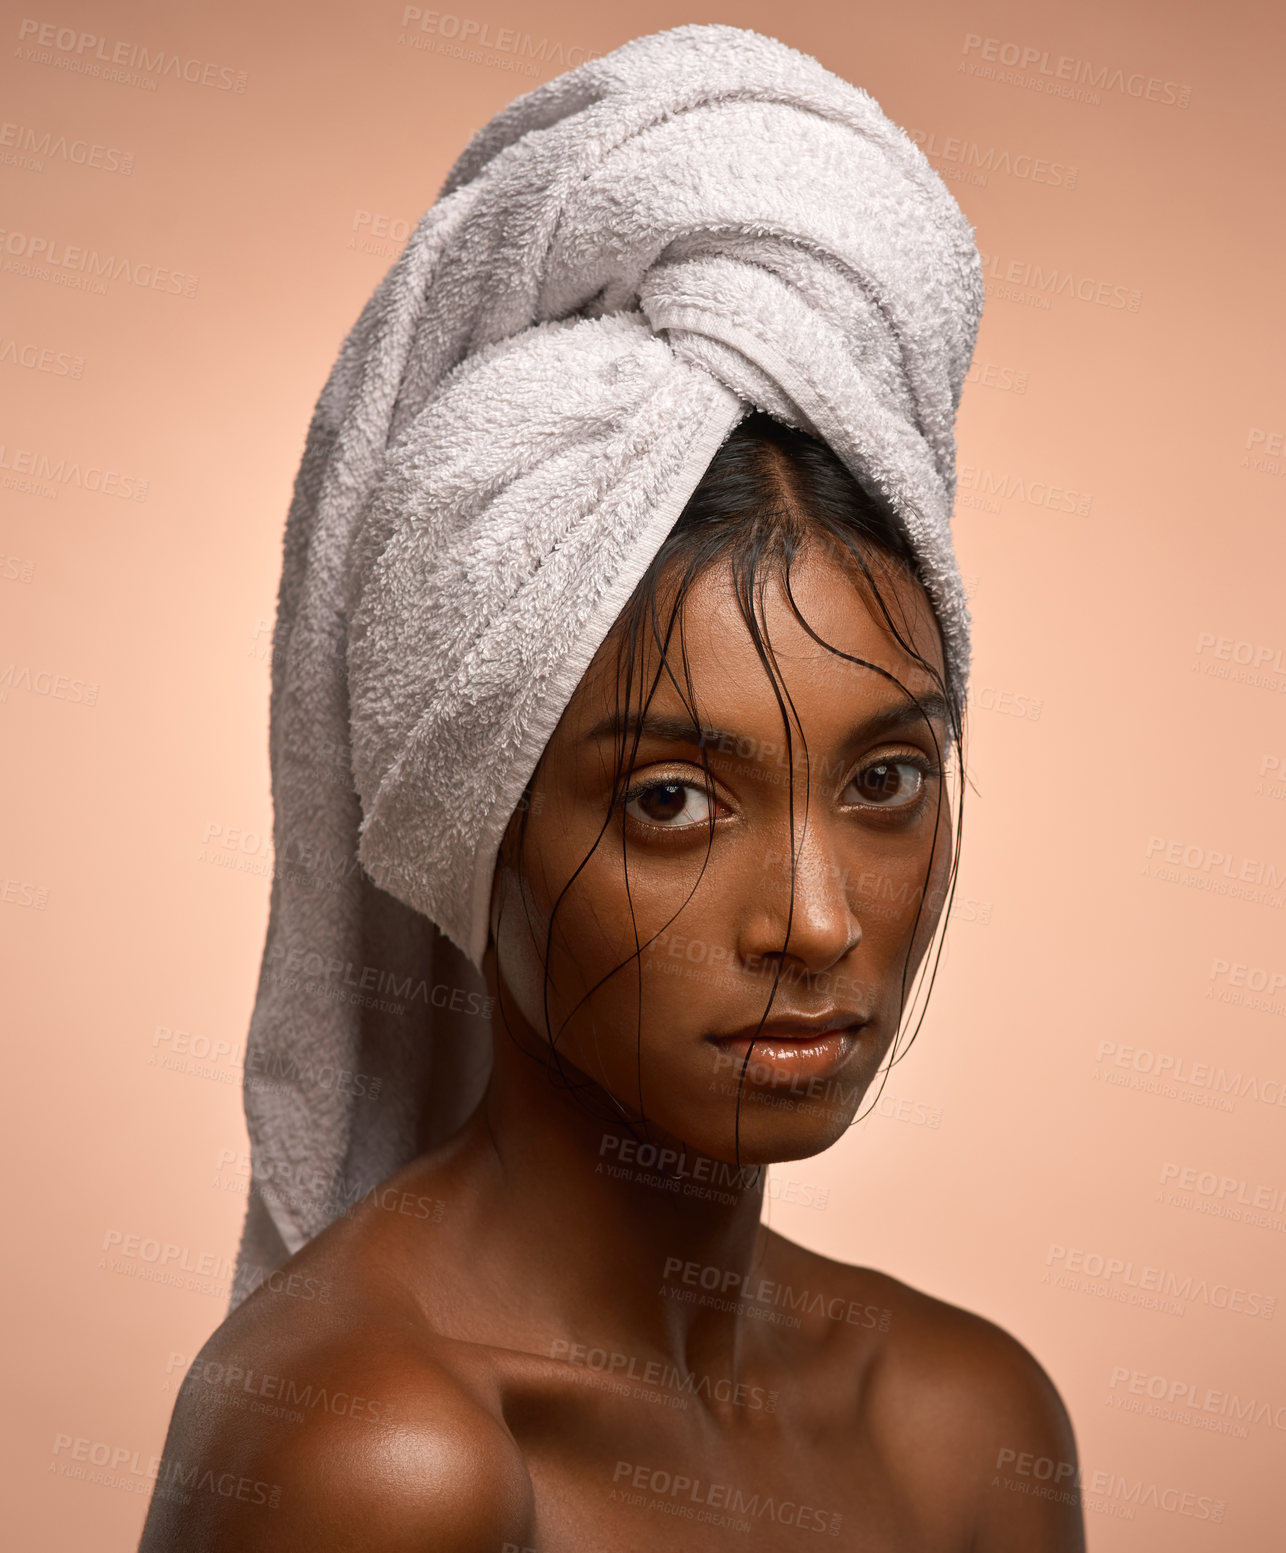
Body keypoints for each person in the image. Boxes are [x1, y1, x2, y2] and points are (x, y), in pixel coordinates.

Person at [139, 25, 1084, 1553]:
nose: (815, 915)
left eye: (885, 775)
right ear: (472, 820)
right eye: (669, 800)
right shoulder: (388, 1462)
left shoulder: (967, 1427)